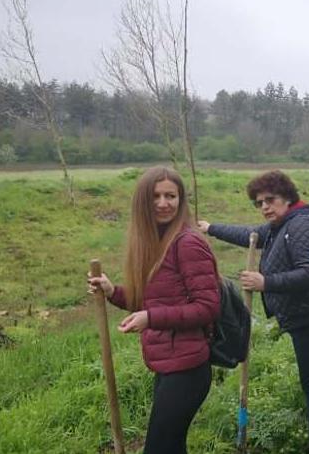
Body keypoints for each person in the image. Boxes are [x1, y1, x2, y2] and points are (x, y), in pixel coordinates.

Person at [87, 166, 220, 454]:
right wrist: (113, 292)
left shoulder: (187, 243)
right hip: (168, 365)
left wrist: (151, 319)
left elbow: (208, 308)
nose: (163, 203)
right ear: (142, 202)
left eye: (171, 196)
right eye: (156, 196)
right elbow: (153, 301)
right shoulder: (157, 243)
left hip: (188, 370)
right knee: (171, 447)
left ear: (181, 200)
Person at [197, 170, 309, 454]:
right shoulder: (281, 224)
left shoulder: (302, 225)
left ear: (288, 197)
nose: (265, 207)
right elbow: (250, 235)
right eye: (259, 203)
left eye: (270, 200)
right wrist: (211, 228)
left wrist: (265, 282)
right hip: (301, 318)